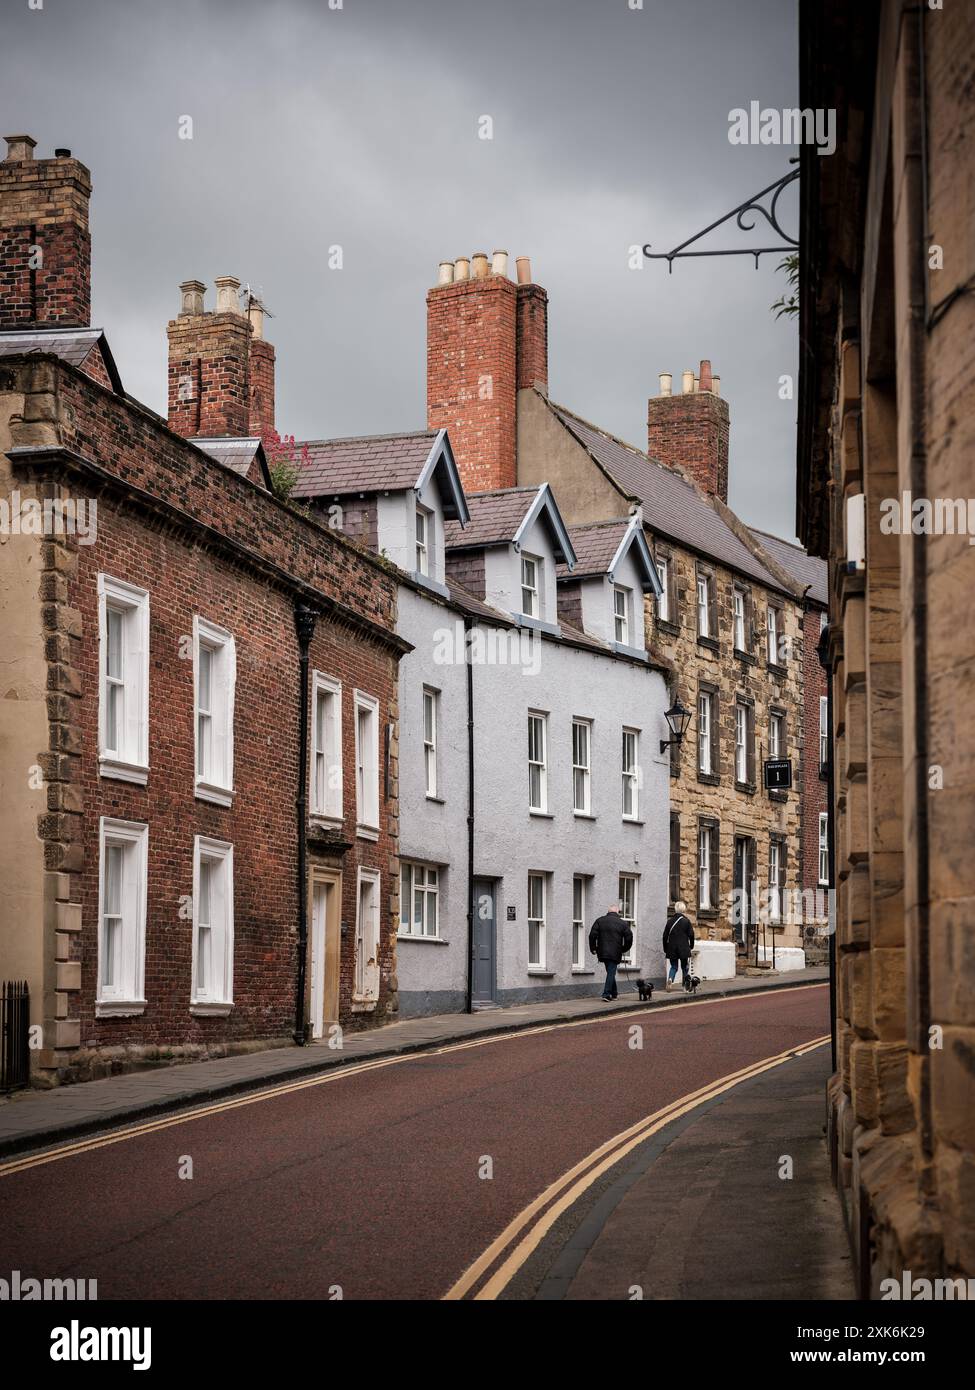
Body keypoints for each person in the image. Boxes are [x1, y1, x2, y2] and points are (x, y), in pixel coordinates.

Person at [589, 903, 633, 1001]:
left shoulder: (599, 921)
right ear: (617, 911)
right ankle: (606, 994)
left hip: (602, 952)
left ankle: (614, 993)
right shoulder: (622, 923)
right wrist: (624, 948)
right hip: (615, 952)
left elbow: (592, 935)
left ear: (608, 911)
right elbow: (629, 938)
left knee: (610, 972)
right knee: (611, 972)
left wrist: (593, 948)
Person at [663, 901, 695, 991]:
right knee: (684, 967)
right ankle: (685, 985)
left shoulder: (669, 922)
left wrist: (665, 948)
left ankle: (670, 979)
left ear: (675, 909)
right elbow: (691, 935)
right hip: (683, 948)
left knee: (674, 966)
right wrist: (691, 946)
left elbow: (664, 936)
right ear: (683, 909)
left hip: (672, 948)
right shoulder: (686, 921)